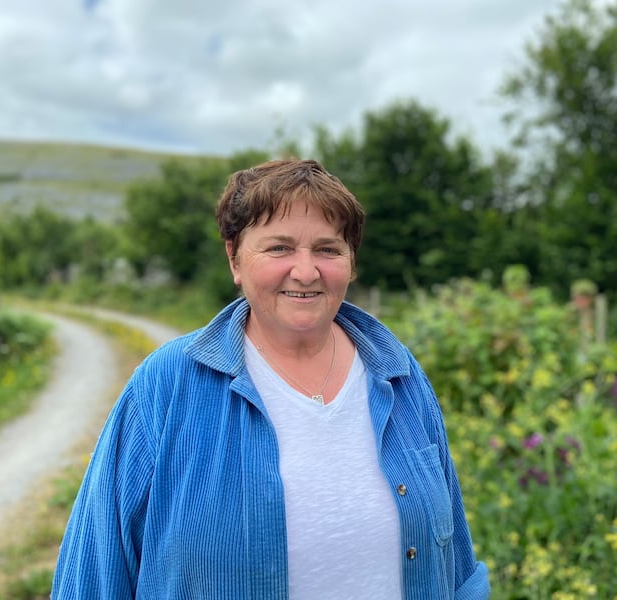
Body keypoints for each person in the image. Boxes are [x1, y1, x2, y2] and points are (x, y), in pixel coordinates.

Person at [51, 158, 489, 599]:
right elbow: (95, 570)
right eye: (279, 248)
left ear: (351, 263)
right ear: (235, 259)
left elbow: (457, 572)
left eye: (327, 249)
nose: (305, 271)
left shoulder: (400, 375)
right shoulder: (165, 385)